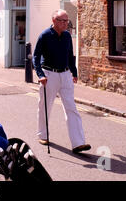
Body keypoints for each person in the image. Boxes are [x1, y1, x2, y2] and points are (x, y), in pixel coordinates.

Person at [32, 9, 91, 154]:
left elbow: (70, 56)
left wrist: (74, 72)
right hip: (49, 75)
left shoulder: (67, 36)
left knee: (71, 107)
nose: (66, 24)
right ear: (54, 21)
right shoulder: (45, 35)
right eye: (63, 21)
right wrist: (40, 74)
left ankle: (78, 143)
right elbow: (35, 57)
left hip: (65, 75)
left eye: (67, 21)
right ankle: (43, 135)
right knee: (45, 106)